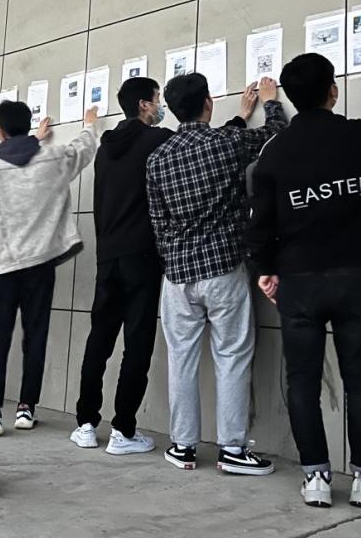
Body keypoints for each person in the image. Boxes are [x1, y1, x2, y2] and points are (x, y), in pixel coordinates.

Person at [246, 54, 361, 508]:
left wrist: (265, 271)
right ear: (332, 92)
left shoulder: (274, 150)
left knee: (302, 381)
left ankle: (316, 478)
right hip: (354, 277)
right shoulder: (354, 135)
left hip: (298, 282)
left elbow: (259, 224)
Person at [69, 77, 258, 454]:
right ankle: (123, 430)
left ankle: (86, 423)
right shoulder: (158, 142)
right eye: (156, 100)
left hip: (108, 254)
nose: (160, 107)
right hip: (142, 255)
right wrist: (240, 118)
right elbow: (204, 146)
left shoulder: (106, 149)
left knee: (99, 338)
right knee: (137, 342)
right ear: (144, 105)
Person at [146, 73, 287, 474]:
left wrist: (174, 258)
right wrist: (270, 101)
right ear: (208, 103)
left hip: (177, 276)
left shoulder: (158, 158)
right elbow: (275, 135)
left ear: (173, 110)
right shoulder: (227, 143)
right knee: (232, 356)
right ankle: (233, 450)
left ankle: (183, 446)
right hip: (223, 268)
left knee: (182, 359)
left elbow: (158, 222)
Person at [0, 101, 98, 437]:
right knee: (35, 336)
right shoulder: (53, 157)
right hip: (41, 264)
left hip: (4, 265)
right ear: (29, 125)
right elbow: (82, 150)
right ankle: (27, 408)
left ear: (0, 131)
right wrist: (89, 124)